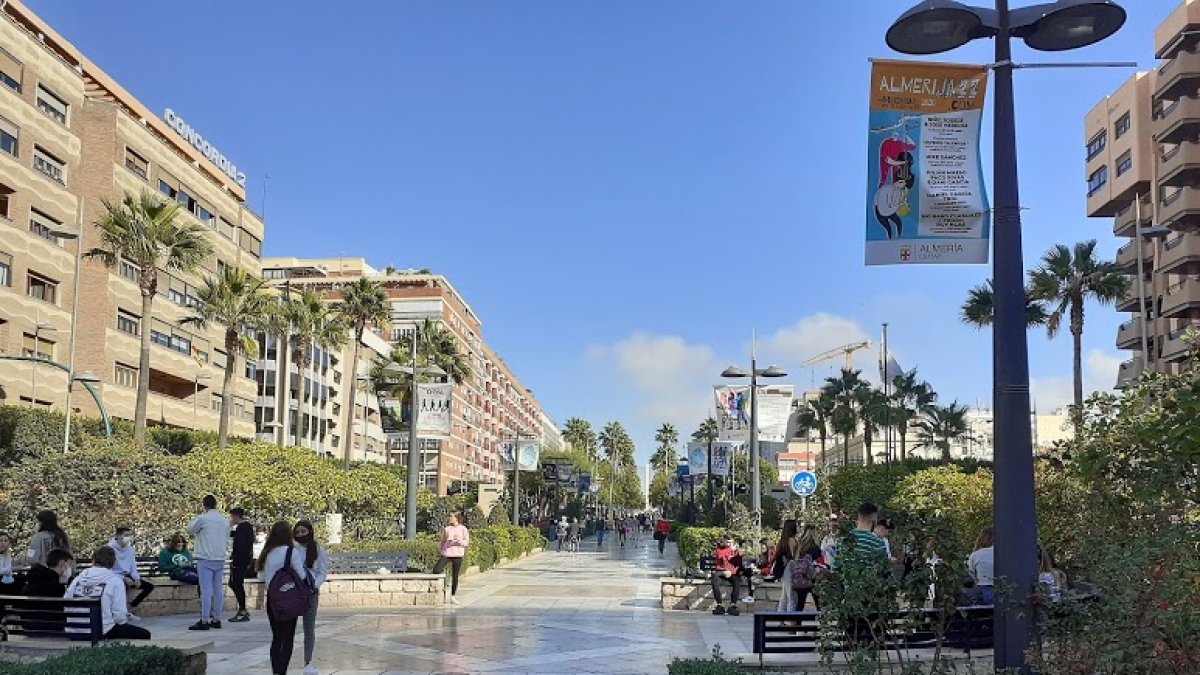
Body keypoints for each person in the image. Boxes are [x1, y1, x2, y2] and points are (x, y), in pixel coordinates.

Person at [65, 546, 151, 641]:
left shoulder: (78, 579)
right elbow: (119, 617)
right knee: (145, 634)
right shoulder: (115, 581)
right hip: (100, 631)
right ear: (113, 563)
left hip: (74, 630)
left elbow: (66, 601)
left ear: (93, 560)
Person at [257, 521, 308, 675]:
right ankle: (282, 671)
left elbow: (261, 576)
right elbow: (302, 575)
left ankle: (275, 671)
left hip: (272, 600)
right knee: (288, 638)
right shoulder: (291, 552)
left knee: (277, 637)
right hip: (288, 600)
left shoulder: (267, 552)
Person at [186, 494, 229, 631]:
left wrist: (197, 516)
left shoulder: (203, 519)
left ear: (204, 505)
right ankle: (217, 619)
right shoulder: (224, 521)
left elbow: (190, 530)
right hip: (220, 557)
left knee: (206, 589)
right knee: (217, 589)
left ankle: (204, 620)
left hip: (205, 557)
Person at [294, 520, 328, 675]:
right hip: (293, 592)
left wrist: (314, 585)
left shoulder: (318, 550)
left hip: (310, 591)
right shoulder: (293, 549)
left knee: (309, 628)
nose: (300, 535)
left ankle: (308, 661)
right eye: (298, 532)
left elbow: (322, 571)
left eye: (303, 532)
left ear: (310, 532)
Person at [108, 526, 153, 618]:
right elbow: (108, 569)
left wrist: (136, 579)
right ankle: (119, 614)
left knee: (149, 587)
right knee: (120, 586)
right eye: (126, 535)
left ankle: (130, 607)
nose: (128, 537)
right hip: (114, 576)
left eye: (129, 535)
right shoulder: (109, 549)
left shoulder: (130, 550)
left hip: (128, 575)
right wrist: (123, 578)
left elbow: (133, 566)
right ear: (118, 536)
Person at [434, 512, 469, 605]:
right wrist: (441, 550)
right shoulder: (447, 529)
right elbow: (443, 541)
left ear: (456, 518)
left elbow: (466, 542)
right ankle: (443, 585)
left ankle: (452, 595)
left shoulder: (463, 529)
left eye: (451, 516)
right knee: (437, 570)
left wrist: (459, 541)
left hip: (458, 555)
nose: (450, 518)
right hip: (447, 554)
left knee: (455, 576)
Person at [229, 507, 255, 623]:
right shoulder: (247, 527)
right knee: (234, 583)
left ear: (235, 516)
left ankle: (243, 610)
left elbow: (240, 546)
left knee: (236, 584)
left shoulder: (241, 528)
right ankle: (242, 609)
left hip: (239, 561)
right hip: (245, 560)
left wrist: (235, 560)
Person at [790, 524, 824, 611]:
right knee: (819, 605)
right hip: (813, 579)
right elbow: (820, 563)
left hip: (799, 579)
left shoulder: (799, 547)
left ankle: (797, 624)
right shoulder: (815, 548)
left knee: (799, 605)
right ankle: (820, 624)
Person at [710, 534, 743, 616]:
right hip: (721, 572)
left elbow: (739, 565)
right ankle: (719, 605)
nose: (729, 544)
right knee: (715, 581)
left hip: (732, 573)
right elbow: (722, 558)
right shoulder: (719, 549)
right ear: (724, 541)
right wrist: (731, 550)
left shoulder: (736, 550)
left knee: (737, 582)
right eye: (727, 542)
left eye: (731, 542)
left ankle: (733, 605)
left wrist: (731, 571)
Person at [967, 526, 995, 605]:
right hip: (1002, 589)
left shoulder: (975, 555)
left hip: (981, 591)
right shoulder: (1004, 553)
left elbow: (971, 575)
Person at [0, 531, 19, 595]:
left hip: (7, 581)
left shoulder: (7, 554)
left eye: (5, 541)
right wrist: (12, 568)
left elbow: (9, 569)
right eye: (1, 541)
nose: (3, 543)